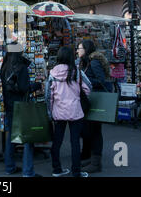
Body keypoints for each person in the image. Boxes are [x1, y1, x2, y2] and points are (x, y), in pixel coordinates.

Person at [46, 46, 91, 178]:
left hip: (58, 112)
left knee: (57, 141)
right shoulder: (77, 72)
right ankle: (76, 171)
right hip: (75, 111)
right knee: (75, 142)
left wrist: (50, 113)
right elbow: (88, 87)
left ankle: (56, 169)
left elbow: (49, 95)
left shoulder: (52, 73)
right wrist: (79, 97)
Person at [0, 46, 43, 177]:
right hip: (21, 106)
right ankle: (28, 171)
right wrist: (36, 85)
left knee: (11, 137)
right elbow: (24, 88)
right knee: (28, 139)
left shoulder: (5, 67)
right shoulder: (21, 67)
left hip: (9, 105)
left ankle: (9, 167)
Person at [77, 40, 111, 173]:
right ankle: (90, 157)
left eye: (79, 48)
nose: (77, 50)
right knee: (89, 129)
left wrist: (85, 81)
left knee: (95, 131)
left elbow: (101, 80)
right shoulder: (85, 62)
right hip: (89, 99)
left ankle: (96, 162)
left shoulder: (94, 62)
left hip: (95, 99)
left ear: (86, 49)